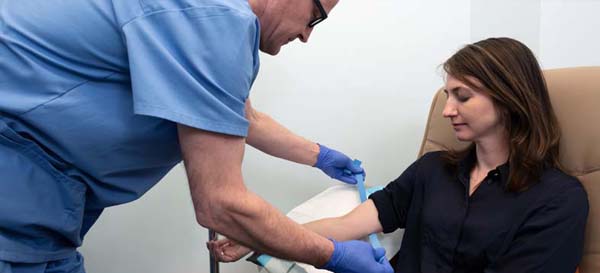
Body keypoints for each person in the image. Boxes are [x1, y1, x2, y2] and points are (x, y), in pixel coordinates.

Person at [0, 0, 393, 273]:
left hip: (37, 211)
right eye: (316, 15)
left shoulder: (205, 16)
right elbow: (221, 204)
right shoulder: (216, 18)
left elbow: (240, 116)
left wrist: (320, 155)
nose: (308, 35)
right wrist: (334, 257)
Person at [209, 37, 590, 273]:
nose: (447, 111)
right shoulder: (432, 172)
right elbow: (345, 226)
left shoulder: (558, 200)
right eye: (447, 96)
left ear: (509, 100)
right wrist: (261, 239)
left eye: (463, 96)